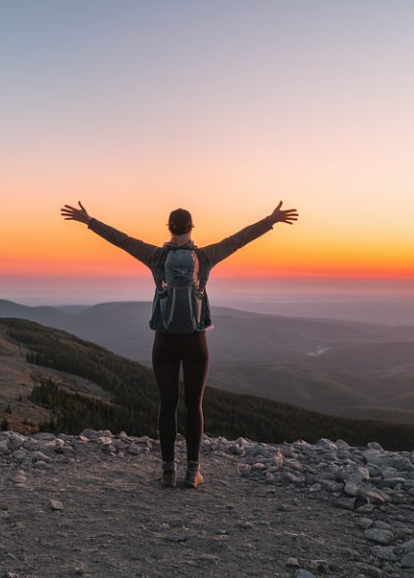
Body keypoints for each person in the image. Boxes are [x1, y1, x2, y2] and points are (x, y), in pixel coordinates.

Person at [60, 200, 299, 488]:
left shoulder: (156, 257)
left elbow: (121, 240)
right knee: (194, 405)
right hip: (197, 342)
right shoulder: (205, 256)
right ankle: (192, 472)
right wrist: (270, 220)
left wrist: (89, 220)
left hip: (164, 342)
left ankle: (167, 471)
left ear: (170, 229)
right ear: (191, 228)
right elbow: (238, 240)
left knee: (168, 405)